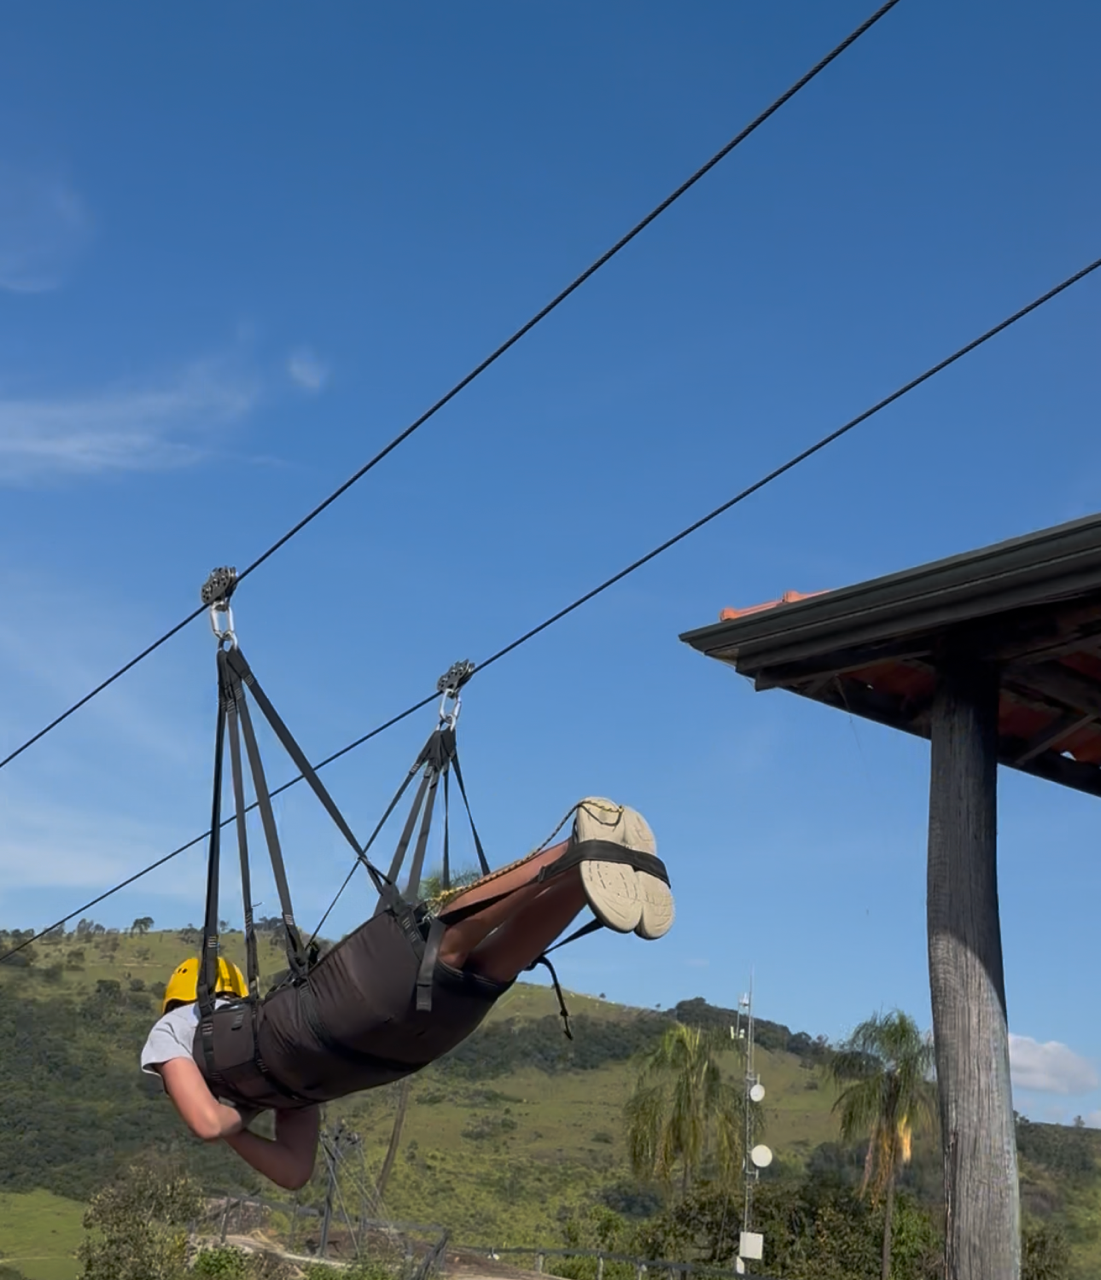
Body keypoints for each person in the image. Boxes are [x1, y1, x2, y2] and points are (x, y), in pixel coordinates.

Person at [140, 797, 672, 1189]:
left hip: (399, 1050)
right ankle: (581, 856)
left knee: (486, 973)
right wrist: (243, 1110)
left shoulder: (187, 1040)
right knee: (439, 943)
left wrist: (239, 1120)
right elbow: (280, 1160)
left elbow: (260, 1153)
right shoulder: (271, 1059)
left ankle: (582, 878)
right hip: (334, 1017)